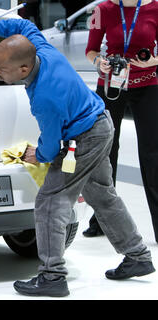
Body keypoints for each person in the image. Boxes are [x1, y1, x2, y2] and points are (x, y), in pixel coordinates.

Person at [0, 16, 155, 297]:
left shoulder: (44, 96)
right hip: (99, 125)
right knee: (102, 196)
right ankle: (138, 256)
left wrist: (40, 155)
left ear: (23, 68)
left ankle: (53, 276)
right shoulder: (41, 49)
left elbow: (50, 143)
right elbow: (23, 26)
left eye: (2, 69)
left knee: (50, 202)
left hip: (86, 138)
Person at [84, 0, 158, 240]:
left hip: (147, 84)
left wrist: (153, 61)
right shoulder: (102, 10)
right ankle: (100, 221)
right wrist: (99, 63)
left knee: (152, 154)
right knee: (105, 151)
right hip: (110, 84)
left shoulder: (155, 8)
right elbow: (91, 50)